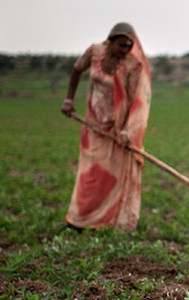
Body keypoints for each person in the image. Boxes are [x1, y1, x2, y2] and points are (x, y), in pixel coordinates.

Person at [61, 22, 152, 232]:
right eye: (121, 45)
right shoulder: (94, 52)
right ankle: (79, 219)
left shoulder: (132, 66)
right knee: (89, 174)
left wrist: (125, 131)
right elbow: (77, 70)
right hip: (93, 125)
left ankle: (108, 222)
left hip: (117, 130)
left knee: (111, 177)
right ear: (110, 42)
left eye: (129, 46)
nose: (125, 50)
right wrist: (68, 100)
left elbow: (133, 101)